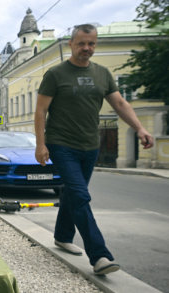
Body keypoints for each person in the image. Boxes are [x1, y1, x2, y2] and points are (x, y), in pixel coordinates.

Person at [34, 24, 154, 275]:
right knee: (81, 196)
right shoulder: (56, 74)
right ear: (71, 44)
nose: (86, 48)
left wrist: (140, 128)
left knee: (73, 194)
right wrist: (41, 143)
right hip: (61, 143)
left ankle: (62, 235)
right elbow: (41, 110)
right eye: (81, 43)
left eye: (91, 43)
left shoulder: (102, 74)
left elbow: (120, 103)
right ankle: (100, 256)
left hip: (91, 145)